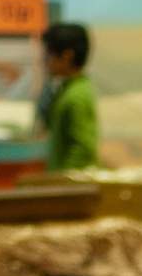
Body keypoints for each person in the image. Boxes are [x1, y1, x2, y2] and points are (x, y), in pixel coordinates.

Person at [40, 22, 99, 172]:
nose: (44, 61)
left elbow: (83, 148)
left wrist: (62, 183)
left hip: (68, 185)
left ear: (67, 56)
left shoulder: (76, 96)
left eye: (48, 54)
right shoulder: (67, 90)